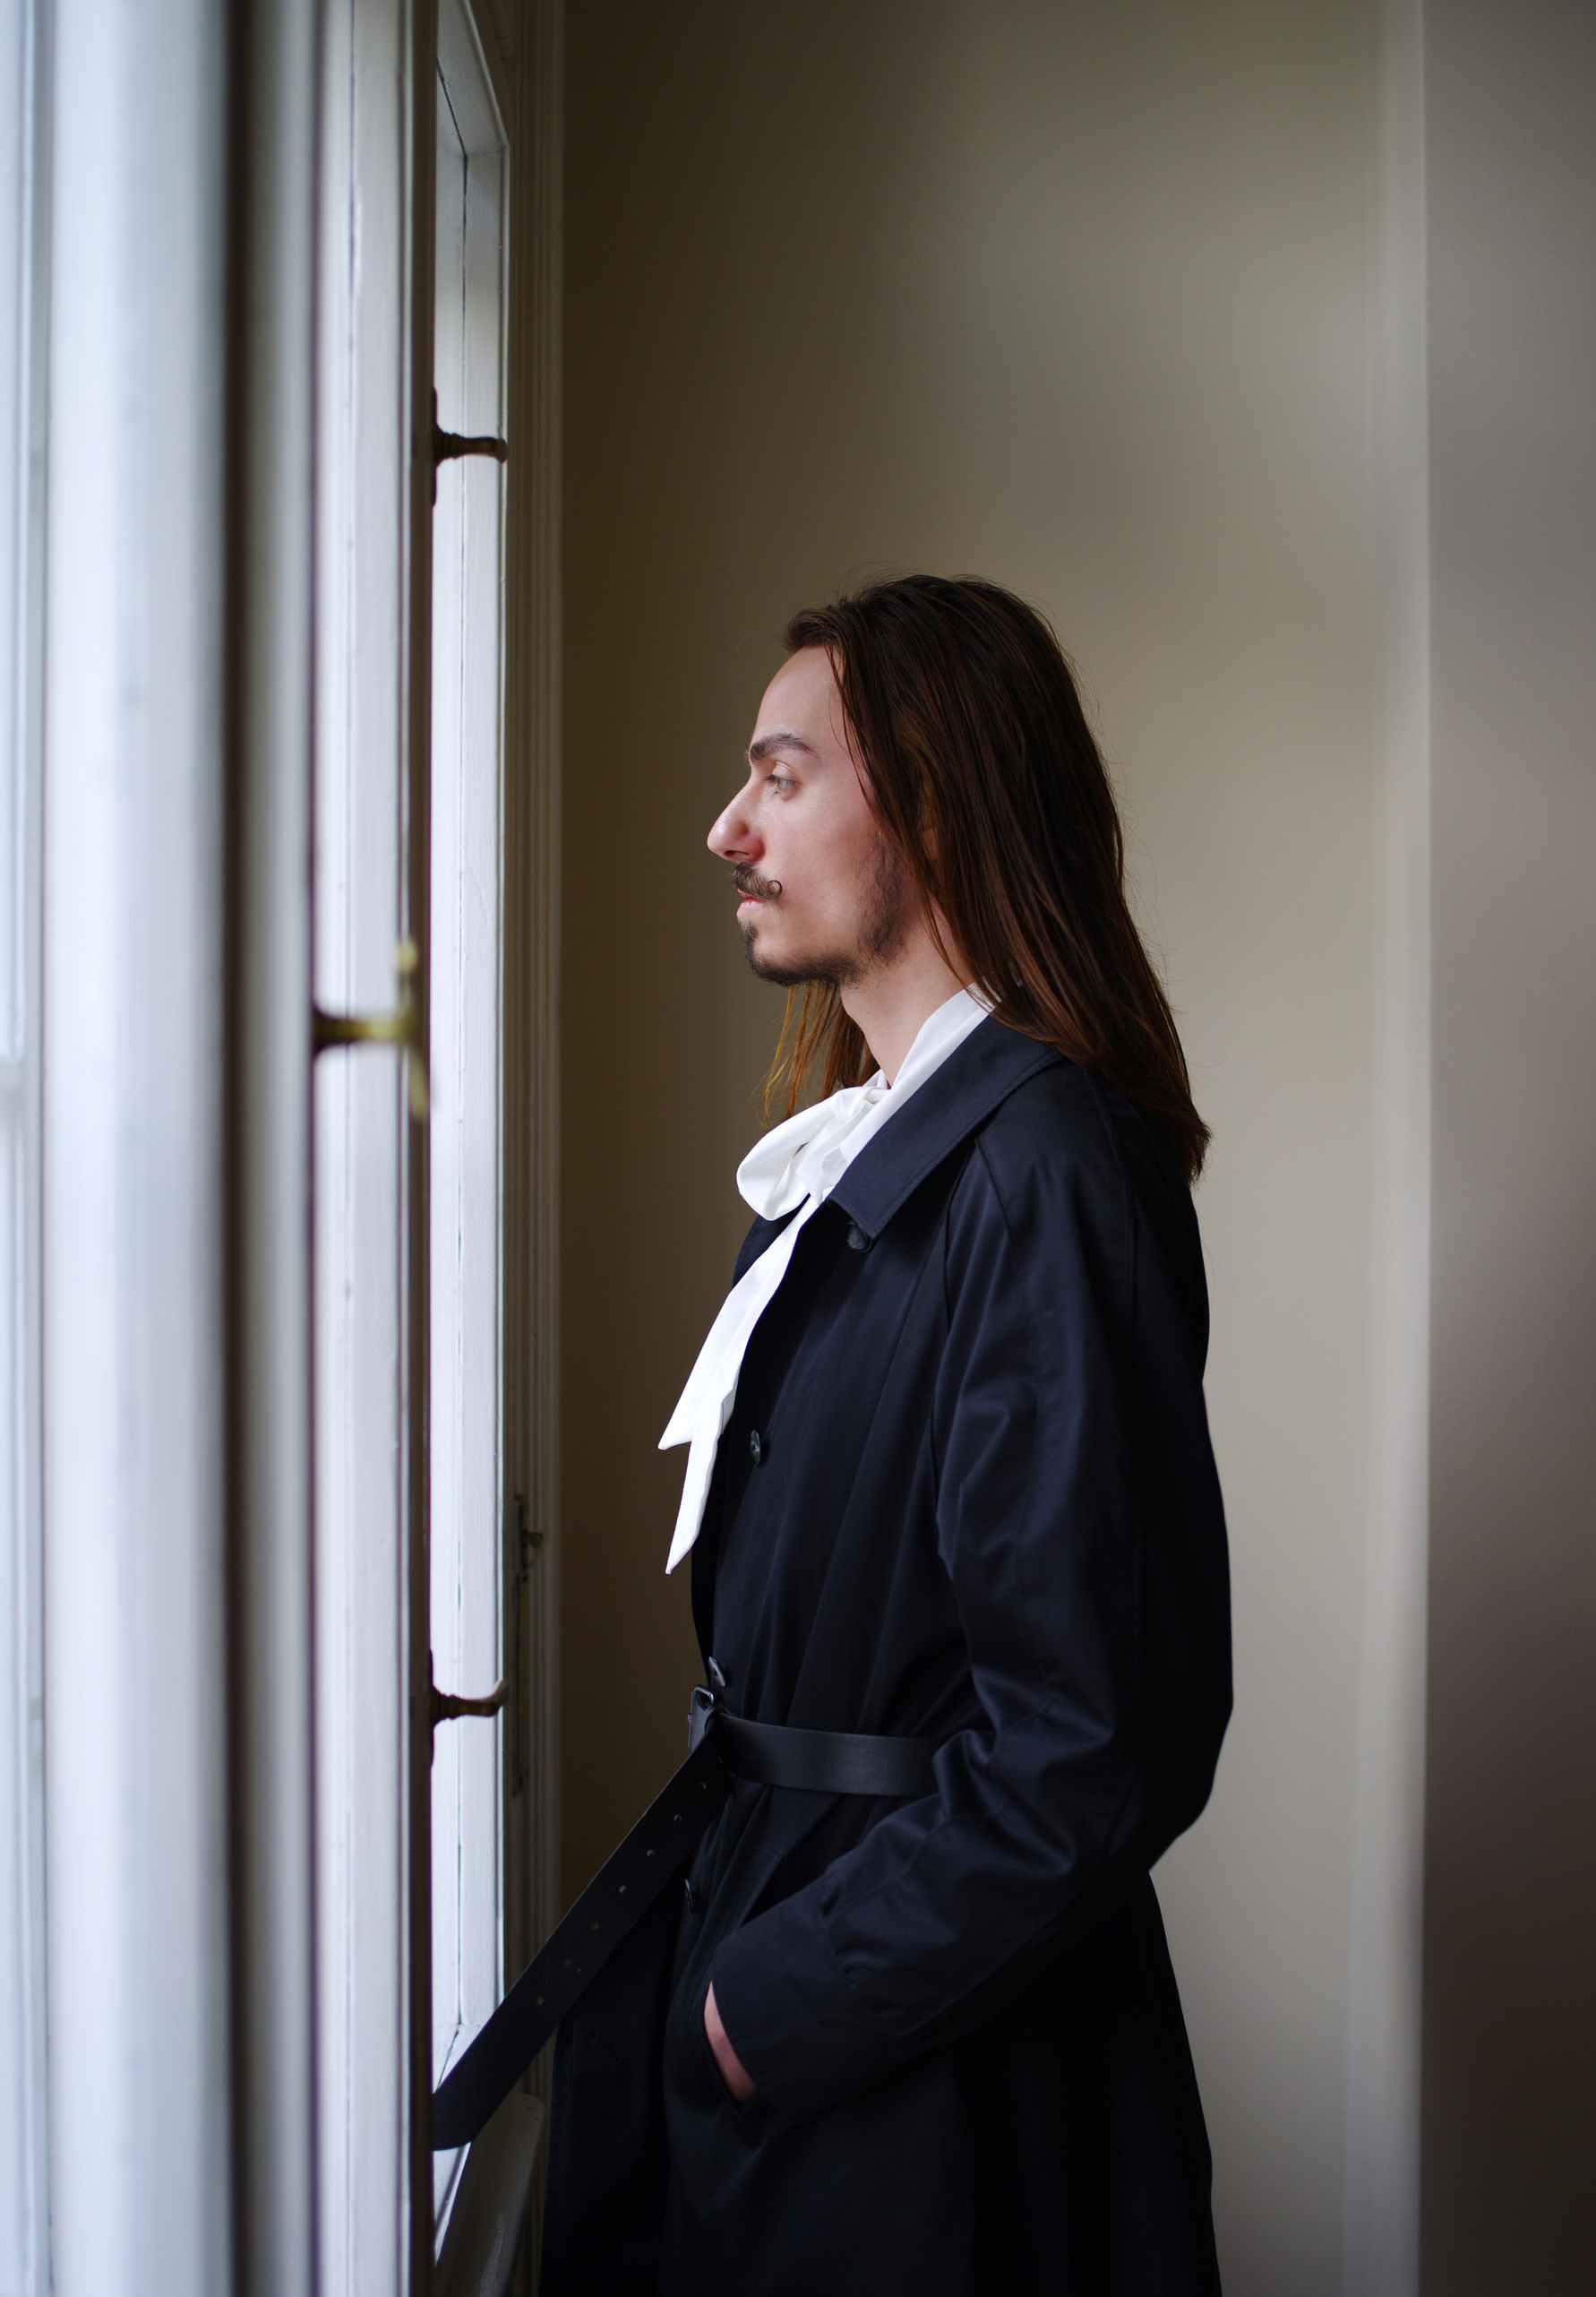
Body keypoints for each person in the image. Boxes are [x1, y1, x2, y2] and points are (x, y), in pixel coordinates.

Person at [540, 575, 1231, 2295]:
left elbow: (1089, 1751)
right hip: (832, 1999)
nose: (728, 828)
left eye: (780, 778)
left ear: (929, 803)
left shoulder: (1043, 1171)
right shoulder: (882, 1153)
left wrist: (760, 2011)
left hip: (923, 2079)